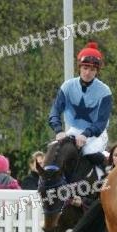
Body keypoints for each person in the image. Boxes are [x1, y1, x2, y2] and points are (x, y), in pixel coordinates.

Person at [48, 41, 112, 176]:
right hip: (74, 130)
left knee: (88, 152)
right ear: (80, 67)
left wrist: (86, 134)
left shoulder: (105, 91)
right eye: (85, 68)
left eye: (92, 70)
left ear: (97, 71)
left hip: (96, 134)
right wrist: (58, 130)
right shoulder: (67, 86)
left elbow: (101, 122)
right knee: (53, 149)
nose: (88, 73)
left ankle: (106, 172)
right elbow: (55, 111)